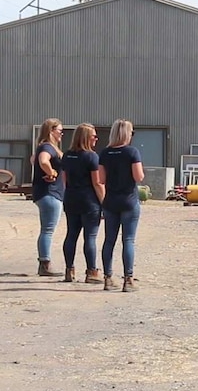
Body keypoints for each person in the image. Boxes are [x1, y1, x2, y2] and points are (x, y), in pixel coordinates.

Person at [99, 119, 144, 292]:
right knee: (128, 240)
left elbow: (101, 180)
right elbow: (138, 177)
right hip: (128, 200)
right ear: (127, 134)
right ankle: (128, 279)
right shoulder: (132, 152)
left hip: (110, 201)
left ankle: (108, 278)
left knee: (109, 240)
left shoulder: (105, 153)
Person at [61, 123, 105, 283]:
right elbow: (97, 183)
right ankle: (91, 272)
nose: (96, 139)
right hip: (89, 201)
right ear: (86, 137)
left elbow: (64, 181)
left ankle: (69, 270)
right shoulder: (91, 156)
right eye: (93, 136)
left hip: (71, 198)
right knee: (90, 236)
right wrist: (104, 203)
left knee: (71, 235)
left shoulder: (67, 155)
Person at [32, 118, 66, 276]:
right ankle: (45, 264)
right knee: (47, 230)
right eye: (59, 131)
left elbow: (34, 159)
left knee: (46, 229)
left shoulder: (43, 146)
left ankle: (44, 263)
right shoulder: (47, 147)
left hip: (47, 193)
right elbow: (42, 160)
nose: (61, 134)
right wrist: (51, 172)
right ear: (51, 131)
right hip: (50, 193)